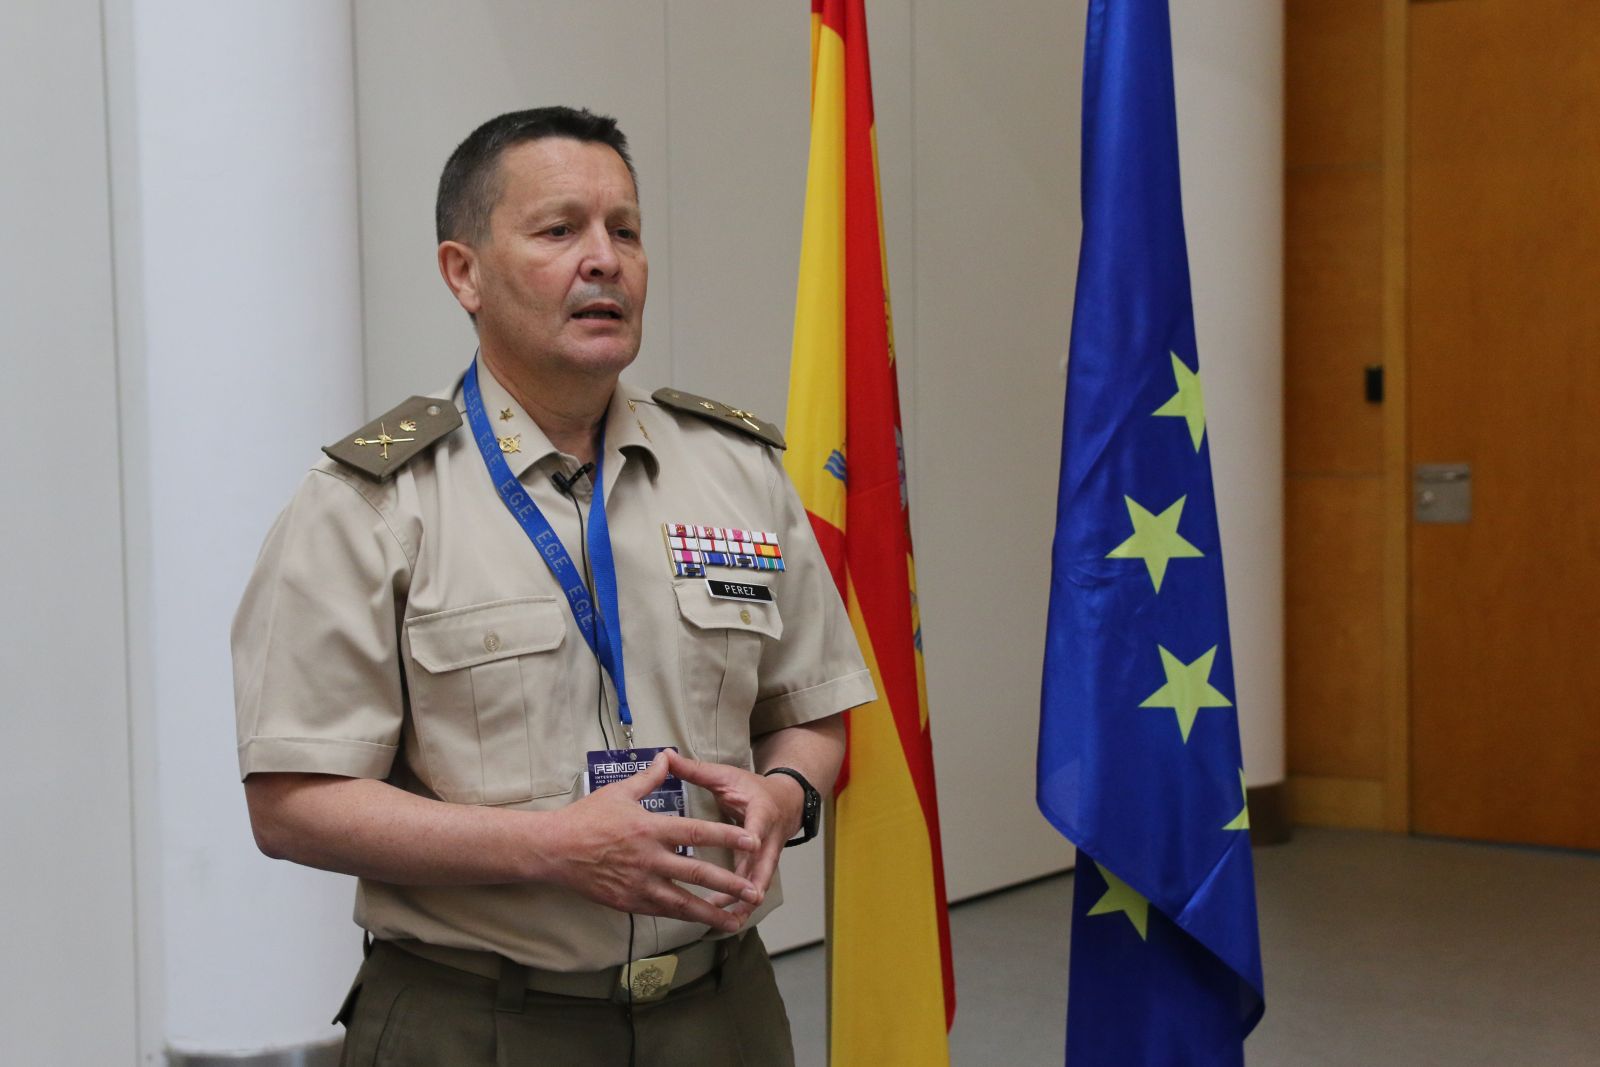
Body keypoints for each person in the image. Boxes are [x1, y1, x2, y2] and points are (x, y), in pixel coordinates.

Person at [232, 106, 873, 1066]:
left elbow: (814, 706)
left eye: (626, 230)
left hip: (721, 1010)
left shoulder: (736, 472)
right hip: (481, 1019)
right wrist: (550, 848)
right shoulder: (369, 505)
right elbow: (291, 801)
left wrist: (784, 792)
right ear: (464, 273)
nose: (605, 259)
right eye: (559, 229)